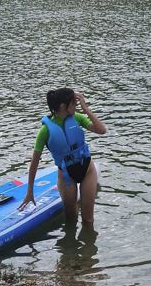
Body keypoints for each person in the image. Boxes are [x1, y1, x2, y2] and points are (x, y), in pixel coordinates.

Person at [19, 88, 107, 225]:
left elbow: (102, 130)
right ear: (63, 106)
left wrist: (86, 109)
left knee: (88, 219)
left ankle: (87, 245)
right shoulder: (45, 131)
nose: (77, 106)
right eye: (74, 103)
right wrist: (30, 191)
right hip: (66, 176)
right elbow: (34, 163)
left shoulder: (77, 118)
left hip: (87, 170)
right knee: (71, 219)